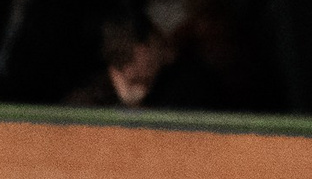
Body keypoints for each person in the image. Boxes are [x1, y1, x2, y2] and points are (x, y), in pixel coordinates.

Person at [66, 13, 213, 111]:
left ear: (148, 46)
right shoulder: (104, 86)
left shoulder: (191, 82)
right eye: (116, 64)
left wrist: (133, 108)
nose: (125, 72)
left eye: (126, 58)